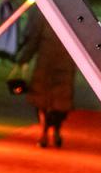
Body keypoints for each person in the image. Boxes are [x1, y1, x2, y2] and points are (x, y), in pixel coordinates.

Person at [15, 9, 75, 149]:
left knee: (51, 102)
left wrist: (24, 58)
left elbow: (34, 38)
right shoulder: (59, 12)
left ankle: (49, 132)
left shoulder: (51, 12)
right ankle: (50, 132)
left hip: (55, 63)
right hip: (56, 63)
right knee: (50, 100)